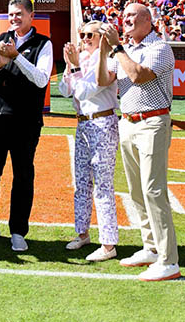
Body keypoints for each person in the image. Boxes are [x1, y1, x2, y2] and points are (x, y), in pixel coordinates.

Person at [97, 3, 181, 281]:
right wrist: (102, 49)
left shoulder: (160, 47)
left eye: (132, 15)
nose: (126, 19)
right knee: (135, 190)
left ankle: (169, 260)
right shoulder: (125, 49)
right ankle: (151, 247)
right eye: (125, 16)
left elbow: (138, 76)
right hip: (129, 121)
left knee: (153, 190)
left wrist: (117, 48)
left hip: (153, 121)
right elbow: (102, 80)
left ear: (148, 20)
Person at [0, 0, 53, 252]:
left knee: (22, 175)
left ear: (31, 16)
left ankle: (18, 230)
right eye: (11, 14)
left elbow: (41, 80)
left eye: (19, 14)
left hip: (26, 121)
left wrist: (16, 56)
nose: (15, 18)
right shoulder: (2, 38)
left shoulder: (44, 44)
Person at [59, 21, 119, 261]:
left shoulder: (110, 60)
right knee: (82, 181)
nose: (84, 39)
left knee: (103, 184)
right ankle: (82, 232)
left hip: (103, 122)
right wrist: (69, 64)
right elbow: (65, 90)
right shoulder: (81, 58)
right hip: (83, 123)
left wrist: (74, 66)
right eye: (82, 34)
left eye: (89, 35)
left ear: (102, 37)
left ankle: (108, 243)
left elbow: (84, 91)